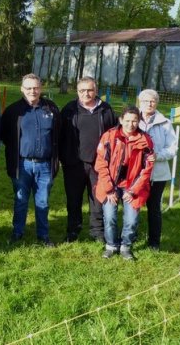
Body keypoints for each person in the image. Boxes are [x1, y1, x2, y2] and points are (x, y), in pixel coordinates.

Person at [0, 73, 60, 247]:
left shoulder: (51, 109)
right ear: (22, 89)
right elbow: (4, 135)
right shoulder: (13, 111)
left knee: (43, 201)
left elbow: (59, 133)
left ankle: (43, 235)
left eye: (35, 87)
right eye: (28, 88)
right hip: (22, 165)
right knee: (20, 200)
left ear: (40, 88)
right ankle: (17, 232)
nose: (32, 91)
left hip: (45, 165)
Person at [59, 76, 117, 243]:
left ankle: (97, 232)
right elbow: (60, 136)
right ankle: (73, 231)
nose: (86, 93)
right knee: (73, 199)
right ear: (77, 91)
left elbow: (114, 136)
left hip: (99, 165)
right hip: (73, 164)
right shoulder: (69, 110)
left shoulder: (106, 110)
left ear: (96, 91)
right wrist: (64, 158)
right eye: (82, 90)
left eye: (90, 90)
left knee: (97, 199)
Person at [95, 106, 154, 260]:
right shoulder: (109, 136)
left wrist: (133, 190)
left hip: (133, 187)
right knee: (110, 217)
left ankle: (126, 246)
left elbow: (147, 168)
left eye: (134, 121)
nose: (130, 124)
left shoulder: (146, 140)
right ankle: (111, 245)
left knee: (131, 220)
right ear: (121, 120)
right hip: (110, 185)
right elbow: (101, 164)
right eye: (127, 120)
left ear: (139, 121)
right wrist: (109, 189)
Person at [138, 89, 178, 251]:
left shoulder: (165, 123)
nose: (149, 103)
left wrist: (158, 155)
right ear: (140, 102)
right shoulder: (132, 119)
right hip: (135, 173)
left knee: (154, 208)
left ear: (157, 103)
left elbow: (173, 148)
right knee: (132, 207)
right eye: (146, 101)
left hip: (158, 174)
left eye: (153, 101)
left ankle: (154, 242)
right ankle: (130, 237)